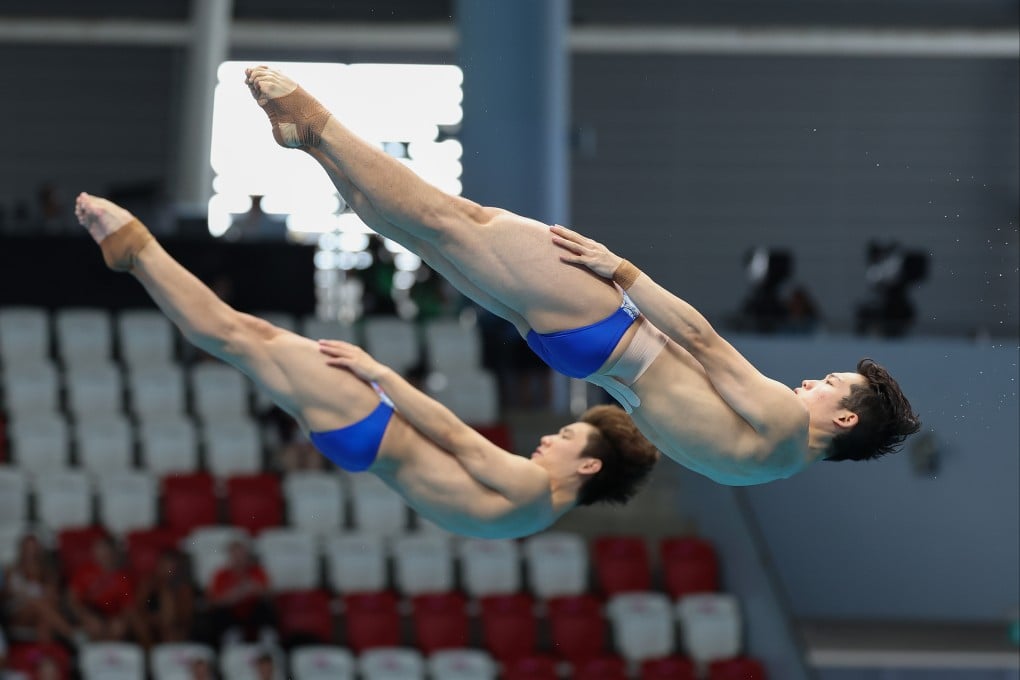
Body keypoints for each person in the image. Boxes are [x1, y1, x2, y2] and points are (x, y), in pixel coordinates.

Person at [243, 65, 921, 486]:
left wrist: (621, 270)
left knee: (454, 220)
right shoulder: (765, 471)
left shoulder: (779, 418)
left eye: (830, 384)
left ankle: (316, 121)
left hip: (612, 328)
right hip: (586, 358)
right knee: (425, 238)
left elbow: (705, 340)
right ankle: (311, 146)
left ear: (841, 416)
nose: (811, 380)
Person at [73, 193, 657, 539]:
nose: (549, 438)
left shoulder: (533, 489)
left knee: (237, 333)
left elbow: (457, 436)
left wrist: (382, 375)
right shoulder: (532, 521)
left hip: (373, 420)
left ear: (586, 465)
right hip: (363, 446)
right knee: (238, 341)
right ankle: (137, 256)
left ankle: (138, 248)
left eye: (565, 435)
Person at [66, 535, 147, 645]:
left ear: (111, 552)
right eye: (96, 549)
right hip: (89, 612)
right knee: (95, 627)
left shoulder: (123, 577)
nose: (97, 553)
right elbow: (72, 599)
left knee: (119, 627)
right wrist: (85, 616)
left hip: (112, 615)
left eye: (102, 549)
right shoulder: (85, 572)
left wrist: (122, 620)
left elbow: (129, 607)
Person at [1, 534, 77, 645]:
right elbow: (5, 594)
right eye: (28, 549)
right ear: (22, 550)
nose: (31, 553)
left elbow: (53, 597)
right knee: (36, 603)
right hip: (17, 611)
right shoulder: (11, 570)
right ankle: (72, 635)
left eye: (33, 549)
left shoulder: (47, 573)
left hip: (40, 610)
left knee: (44, 619)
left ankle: (45, 654)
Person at [205, 541, 275, 648]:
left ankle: (268, 641)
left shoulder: (257, 571)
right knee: (220, 614)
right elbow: (213, 601)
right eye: (236, 556)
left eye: (242, 556)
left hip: (253, 613)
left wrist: (256, 589)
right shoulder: (221, 575)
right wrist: (232, 596)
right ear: (230, 557)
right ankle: (231, 643)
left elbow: (270, 593)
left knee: (265, 608)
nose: (239, 560)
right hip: (231, 615)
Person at [135, 549, 195, 646]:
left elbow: (185, 616)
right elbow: (139, 607)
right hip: (150, 624)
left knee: (171, 630)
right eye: (164, 565)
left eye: (172, 567)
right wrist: (153, 620)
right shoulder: (148, 583)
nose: (168, 570)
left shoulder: (183, 588)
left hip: (173, 625)